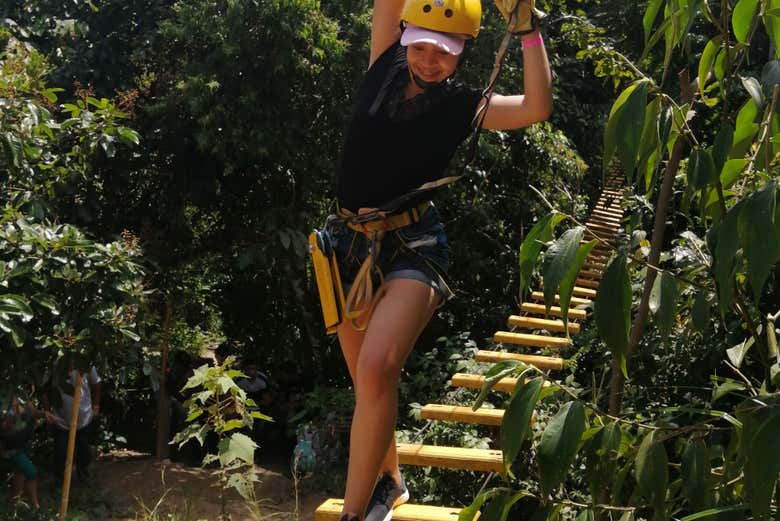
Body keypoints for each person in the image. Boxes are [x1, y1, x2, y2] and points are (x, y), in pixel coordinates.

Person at [328, 0, 552, 519]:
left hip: (414, 245)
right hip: (347, 245)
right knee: (368, 382)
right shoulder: (385, 60)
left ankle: (353, 514)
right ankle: (390, 482)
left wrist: (528, 28)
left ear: (463, 54)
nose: (429, 61)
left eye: (444, 53)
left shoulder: (463, 105)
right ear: (404, 35)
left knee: (379, 366)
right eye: (421, 46)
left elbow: (536, 107)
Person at [46, 360, 102, 484]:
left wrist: (96, 407)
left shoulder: (86, 364)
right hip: (61, 419)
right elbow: (46, 388)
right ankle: (61, 482)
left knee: (83, 450)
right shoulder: (55, 364)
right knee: (61, 452)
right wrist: (47, 411)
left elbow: (96, 383)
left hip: (83, 417)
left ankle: (83, 478)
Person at [0, 391, 54, 509]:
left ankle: (15, 502)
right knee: (31, 472)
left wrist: (45, 414)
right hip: (11, 447)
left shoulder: (21, 394)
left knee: (19, 472)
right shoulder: (2, 399)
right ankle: (36, 506)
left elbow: (33, 413)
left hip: (25, 442)